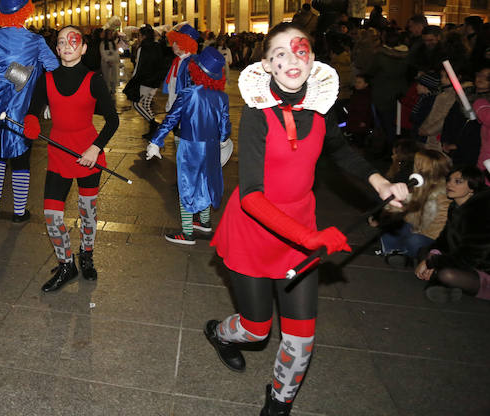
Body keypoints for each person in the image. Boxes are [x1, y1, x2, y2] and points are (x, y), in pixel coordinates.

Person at [205, 22, 409, 415]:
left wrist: (381, 182)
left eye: (299, 51)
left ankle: (279, 404)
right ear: (267, 65)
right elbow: (250, 197)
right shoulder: (256, 116)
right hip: (254, 230)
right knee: (256, 328)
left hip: (300, 231)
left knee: (301, 339)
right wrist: (308, 237)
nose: (291, 58)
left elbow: (341, 151)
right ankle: (219, 333)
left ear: (311, 59)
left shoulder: (319, 112)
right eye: (279, 52)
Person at [23, 26, 119, 292]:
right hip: (58, 154)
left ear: (84, 47)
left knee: (88, 211)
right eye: (62, 42)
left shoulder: (94, 79)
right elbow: (33, 109)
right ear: (57, 48)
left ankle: (86, 254)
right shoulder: (47, 78)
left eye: (73, 41)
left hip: (87, 153)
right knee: (52, 215)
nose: (67, 46)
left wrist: (95, 148)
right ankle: (67, 264)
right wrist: (30, 121)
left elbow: (113, 120)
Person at [0, 0, 59, 221]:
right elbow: (54, 68)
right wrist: (21, 76)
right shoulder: (35, 40)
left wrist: (7, 72)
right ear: (26, 11)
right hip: (23, 109)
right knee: (21, 158)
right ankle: (19, 212)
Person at [146, 46, 230, 245]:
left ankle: (187, 232)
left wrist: (155, 142)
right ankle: (205, 221)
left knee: (187, 185)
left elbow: (170, 120)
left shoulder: (189, 93)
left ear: (196, 70)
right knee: (206, 182)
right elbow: (225, 127)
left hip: (190, 146)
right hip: (211, 147)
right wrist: (222, 140)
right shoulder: (222, 97)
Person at [415, 166, 490, 303]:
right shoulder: (456, 206)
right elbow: (445, 238)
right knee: (424, 251)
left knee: (447, 274)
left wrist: (432, 263)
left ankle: (440, 283)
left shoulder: (481, 212)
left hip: (483, 270)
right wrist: (434, 253)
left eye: (458, 181)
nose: (449, 184)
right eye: (449, 180)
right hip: (464, 263)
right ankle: (446, 286)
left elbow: (470, 257)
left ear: (472, 187)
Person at [377, 149, 451, 265]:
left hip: (430, 237)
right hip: (415, 229)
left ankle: (402, 254)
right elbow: (408, 217)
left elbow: (439, 230)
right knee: (391, 228)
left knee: (414, 241)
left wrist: (416, 232)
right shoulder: (417, 185)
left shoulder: (443, 195)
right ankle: (395, 253)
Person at [130, 25, 164, 140]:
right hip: (155, 80)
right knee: (146, 104)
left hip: (145, 81)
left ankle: (154, 124)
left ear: (143, 36)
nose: (138, 38)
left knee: (136, 104)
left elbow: (138, 66)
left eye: (139, 35)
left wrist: (133, 79)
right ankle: (153, 128)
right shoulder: (157, 46)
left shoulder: (143, 48)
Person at [99, 29, 120, 95]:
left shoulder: (114, 43)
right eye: (109, 34)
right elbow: (103, 53)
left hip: (114, 63)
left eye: (111, 34)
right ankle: (108, 89)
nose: (110, 35)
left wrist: (115, 60)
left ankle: (113, 89)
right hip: (106, 63)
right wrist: (108, 61)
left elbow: (116, 53)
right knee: (107, 77)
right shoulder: (102, 43)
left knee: (114, 77)